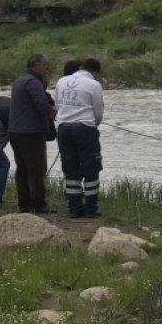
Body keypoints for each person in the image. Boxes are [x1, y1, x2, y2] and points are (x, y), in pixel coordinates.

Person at [56, 58, 104, 218]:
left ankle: (74, 208)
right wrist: (93, 125)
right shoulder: (94, 85)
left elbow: (58, 106)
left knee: (70, 168)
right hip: (84, 128)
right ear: (95, 72)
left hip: (63, 128)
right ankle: (91, 208)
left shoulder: (61, 81)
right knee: (91, 167)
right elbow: (98, 112)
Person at [9, 54, 57, 214]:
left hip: (15, 131)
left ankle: (24, 203)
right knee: (37, 168)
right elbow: (41, 103)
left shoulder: (20, 80)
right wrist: (55, 115)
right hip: (30, 132)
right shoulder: (32, 82)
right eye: (46, 66)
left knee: (22, 169)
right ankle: (39, 203)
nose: (47, 70)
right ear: (37, 65)